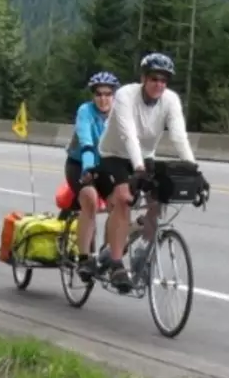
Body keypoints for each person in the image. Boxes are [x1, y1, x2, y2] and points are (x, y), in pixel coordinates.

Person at [77, 52, 198, 292]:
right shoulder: (125, 96)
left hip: (145, 156)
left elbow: (178, 135)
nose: (159, 85)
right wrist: (139, 169)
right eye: (154, 79)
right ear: (143, 78)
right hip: (114, 154)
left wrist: (193, 169)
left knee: (160, 197)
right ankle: (116, 263)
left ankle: (143, 248)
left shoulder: (170, 100)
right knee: (123, 199)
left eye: (164, 80)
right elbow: (128, 134)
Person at [63, 71, 120, 270]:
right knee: (89, 197)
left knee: (120, 202)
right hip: (79, 164)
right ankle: (84, 258)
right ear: (93, 96)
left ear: (114, 96)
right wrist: (87, 169)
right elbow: (87, 142)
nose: (103, 99)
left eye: (108, 94)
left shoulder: (119, 115)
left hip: (104, 166)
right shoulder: (85, 111)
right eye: (99, 94)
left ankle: (107, 251)